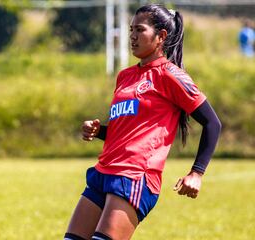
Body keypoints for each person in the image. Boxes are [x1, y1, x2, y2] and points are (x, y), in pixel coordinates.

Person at [64, 4, 221, 240]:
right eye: (131, 30)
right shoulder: (125, 76)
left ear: (161, 37)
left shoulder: (170, 75)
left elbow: (212, 123)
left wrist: (196, 173)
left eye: (140, 30)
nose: (133, 36)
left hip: (135, 176)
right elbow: (127, 133)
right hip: (104, 171)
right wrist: (99, 131)